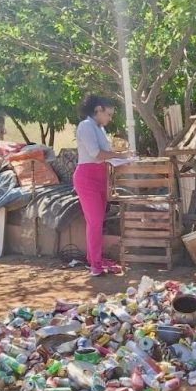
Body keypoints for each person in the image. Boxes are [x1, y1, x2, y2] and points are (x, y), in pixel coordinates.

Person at [73, 94, 129, 277]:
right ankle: (95, 265)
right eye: (108, 114)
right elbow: (96, 153)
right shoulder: (86, 125)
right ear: (97, 110)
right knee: (95, 222)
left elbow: (106, 154)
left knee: (97, 221)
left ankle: (94, 259)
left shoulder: (99, 128)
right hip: (87, 178)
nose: (110, 118)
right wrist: (121, 156)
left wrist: (119, 156)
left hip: (100, 177)